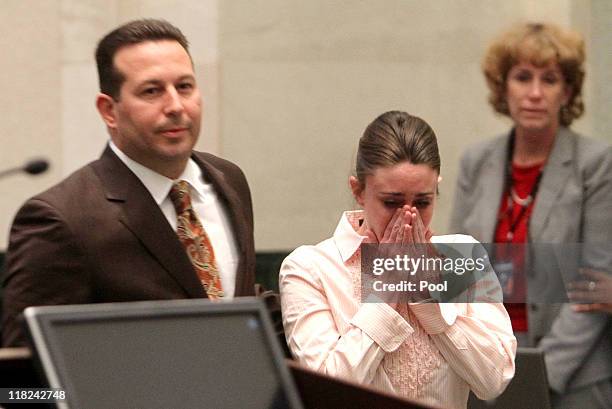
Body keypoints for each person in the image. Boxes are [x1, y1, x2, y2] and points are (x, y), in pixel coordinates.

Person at [2, 19, 255, 347]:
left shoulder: (228, 180)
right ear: (109, 110)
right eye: (152, 91)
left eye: (184, 86)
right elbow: (23, 381)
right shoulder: (61, 218)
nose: (176, 107)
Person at [280, 111, 516, 409]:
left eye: (423, 202)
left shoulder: (463, 255)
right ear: (358, 191)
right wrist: (385, 291)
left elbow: (493, 380)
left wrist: (428, 298)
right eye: (391, 202)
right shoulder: (310, 268)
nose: (408, 216)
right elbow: (326, 395)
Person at [449, 22, 612, 408]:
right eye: (523, 77)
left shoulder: (596, 165)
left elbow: (594, 285)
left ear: (567, 91)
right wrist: (485, 363)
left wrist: (541, 376)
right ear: (503, 87)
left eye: (550, 79)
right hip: (487, 364)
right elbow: (457, 270)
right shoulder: (477, 162)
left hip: (574, 376)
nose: (535, 93)